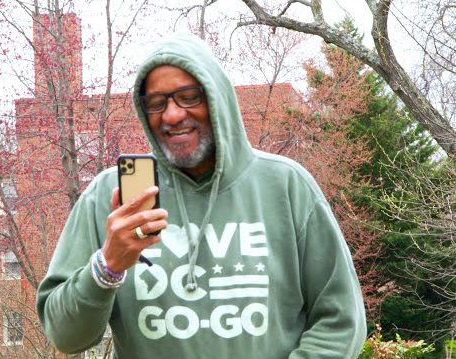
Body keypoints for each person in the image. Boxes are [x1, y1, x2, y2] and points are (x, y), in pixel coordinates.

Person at [37, 33, 367, 358]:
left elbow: (340, 321)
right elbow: (65, 336)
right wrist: (107, 267)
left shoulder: (286, 187)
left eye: (188, 96)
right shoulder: (109, 199)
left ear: (215, 97)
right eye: (156, 102)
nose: (172, 115)